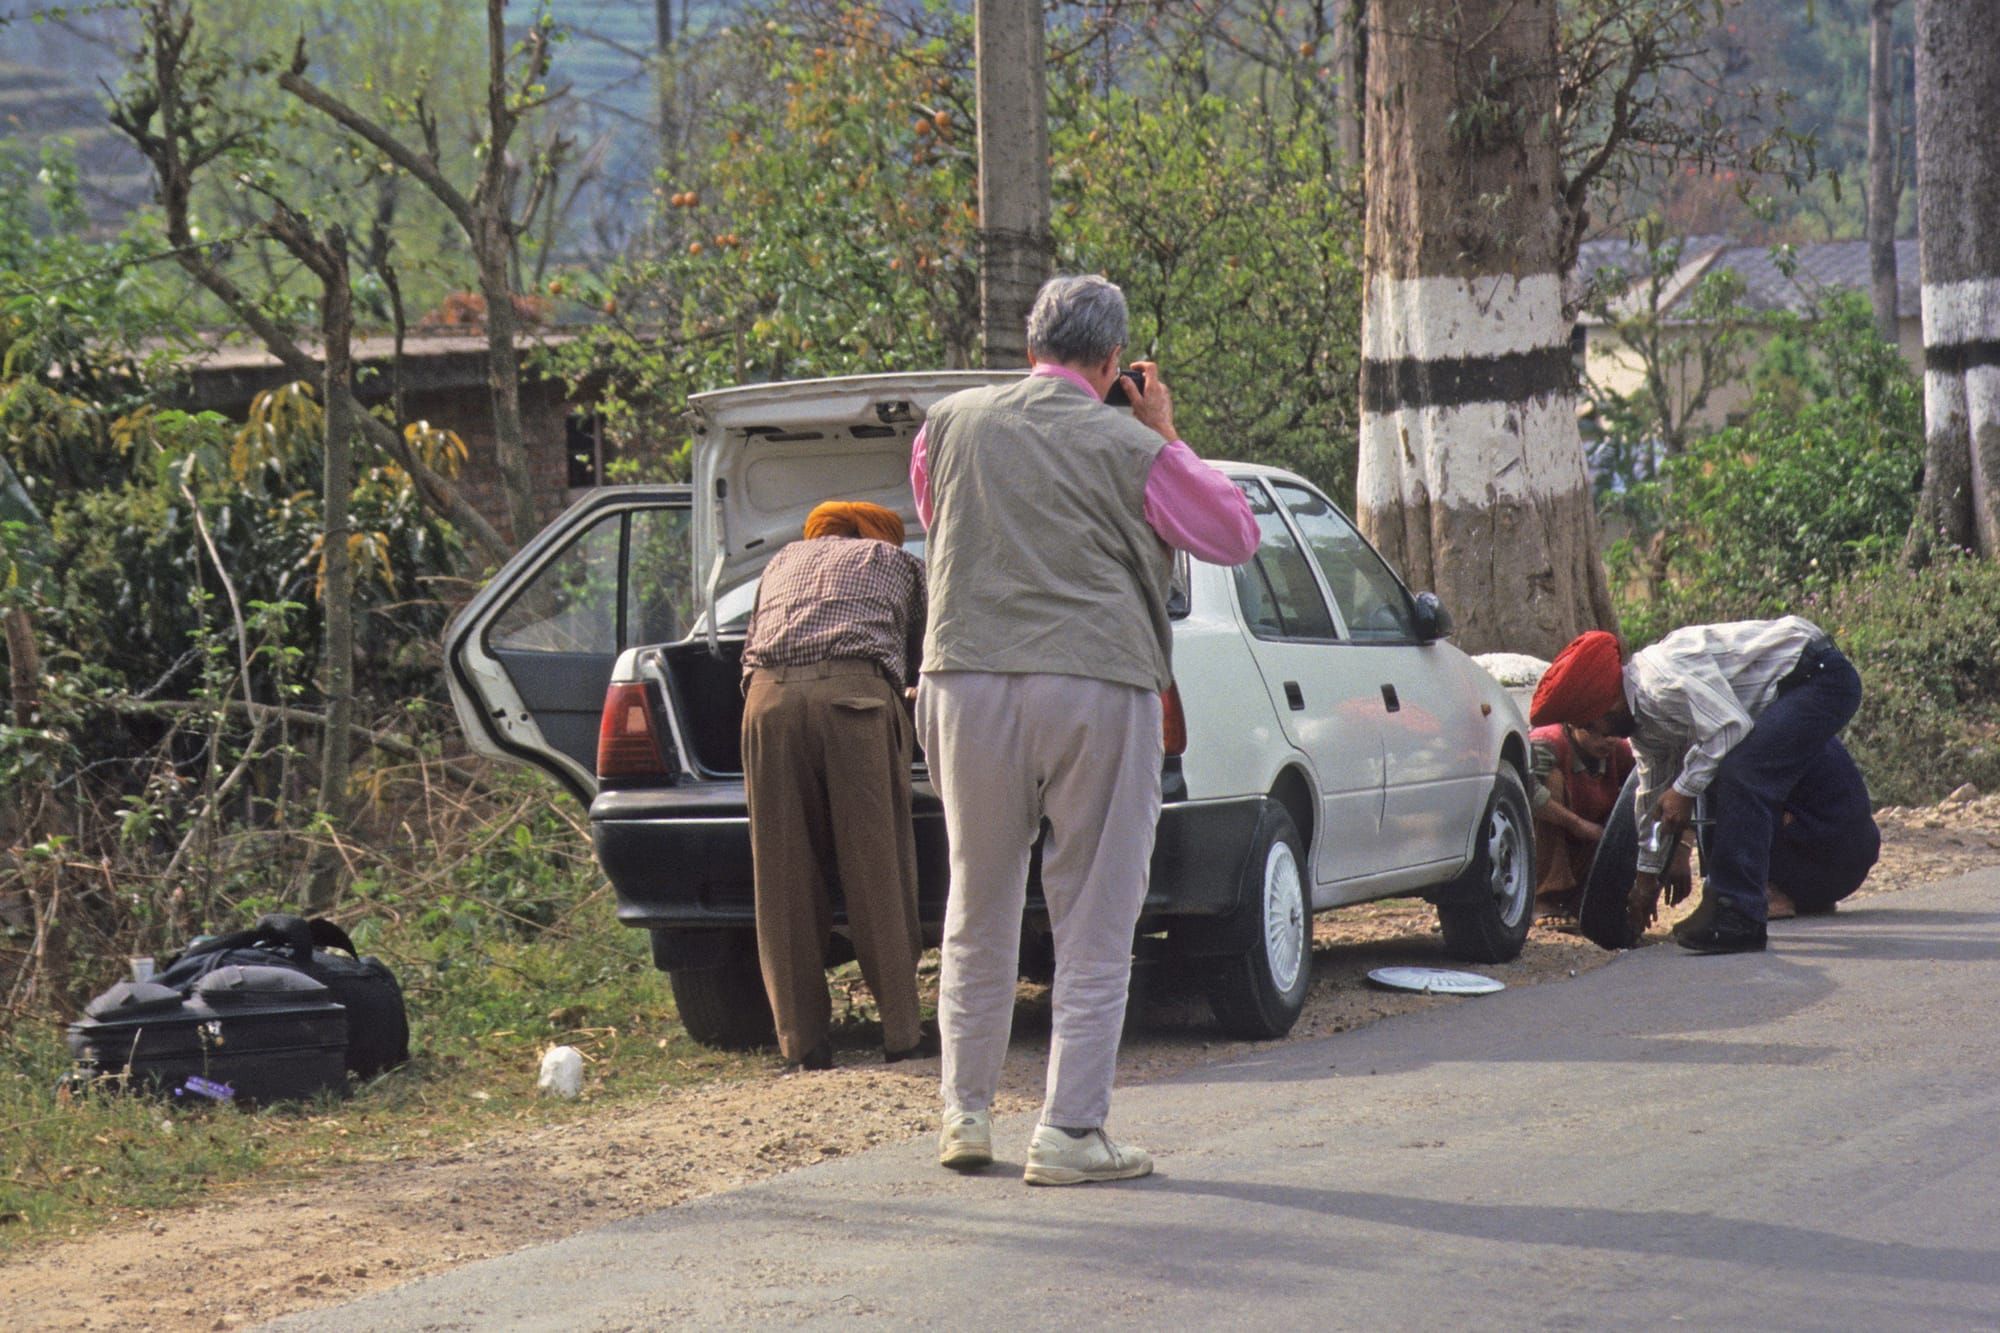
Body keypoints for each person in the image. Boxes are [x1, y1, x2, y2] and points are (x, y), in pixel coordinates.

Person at [910, 274, 1258, 1185]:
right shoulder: (1131, 446)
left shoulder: (949, 423)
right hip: (1096, 681)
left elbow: (934, 512)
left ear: (1032, 349)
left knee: (975, 900)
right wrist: (1165, 433)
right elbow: (1232, 533)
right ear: (1113, 364)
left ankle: (966, 1113)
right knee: (1095, 914)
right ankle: (1068, 1131)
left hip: (965, 678)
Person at [1530, 617, 1880, 955]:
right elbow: (1650, 801)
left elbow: (1730, 727)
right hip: (1786, 692)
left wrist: (1683, 791)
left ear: (1609, 702)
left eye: (1595, 723)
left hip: (1819, 677)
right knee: (1716, 769)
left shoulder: (1660, 684)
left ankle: (1740, 916)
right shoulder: (1645, 726)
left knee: (1739, 770)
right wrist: (1646, 879)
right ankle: (1721, 904)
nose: (1602, 735)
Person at [739, 500, 930, 1071]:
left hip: (767, 704)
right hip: (855, 700)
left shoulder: (780, 561)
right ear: (882, 536)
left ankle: (802, 1042)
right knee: (877, 866)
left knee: (782, 873)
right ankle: (901, 1033)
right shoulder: (896, 561)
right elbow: (925, 656)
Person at [1527, 718, 1635, 921]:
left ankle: (1589, 900)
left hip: (1584, 850)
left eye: (1615, 733)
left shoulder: (1619, 750)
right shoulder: (1547, 741)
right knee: (1551, 781)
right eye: (1601, 733)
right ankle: (1543, 897)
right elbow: (1527, 791)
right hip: (1542, 851)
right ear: (1575, 724)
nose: (1609, 740)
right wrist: (1576, 824)